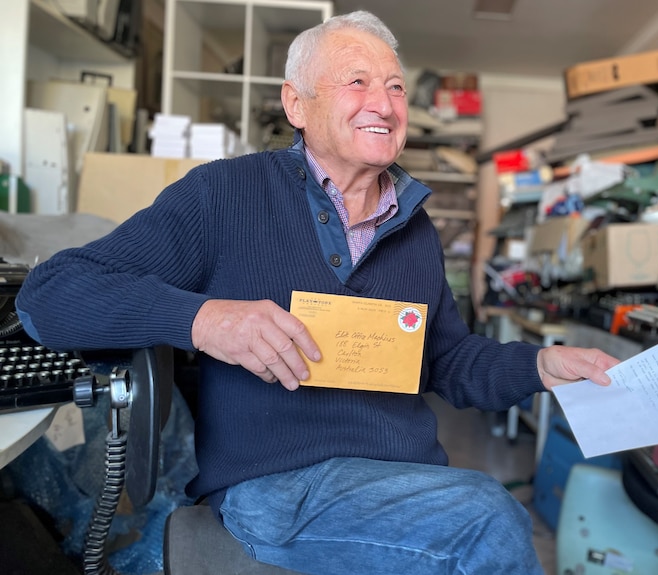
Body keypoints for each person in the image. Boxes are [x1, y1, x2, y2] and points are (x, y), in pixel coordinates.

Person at [16, 10, 619, 575]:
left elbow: (447, 360)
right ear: (295, 103)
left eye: (396, 87)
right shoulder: (224, 195)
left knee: (476, 514)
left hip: (404, 482)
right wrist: (203, 320)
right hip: (278, 488)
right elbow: (49, 295)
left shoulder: (414, 228)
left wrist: (540, 363)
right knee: (488, 520)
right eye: (357, 81)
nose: (384, 104)